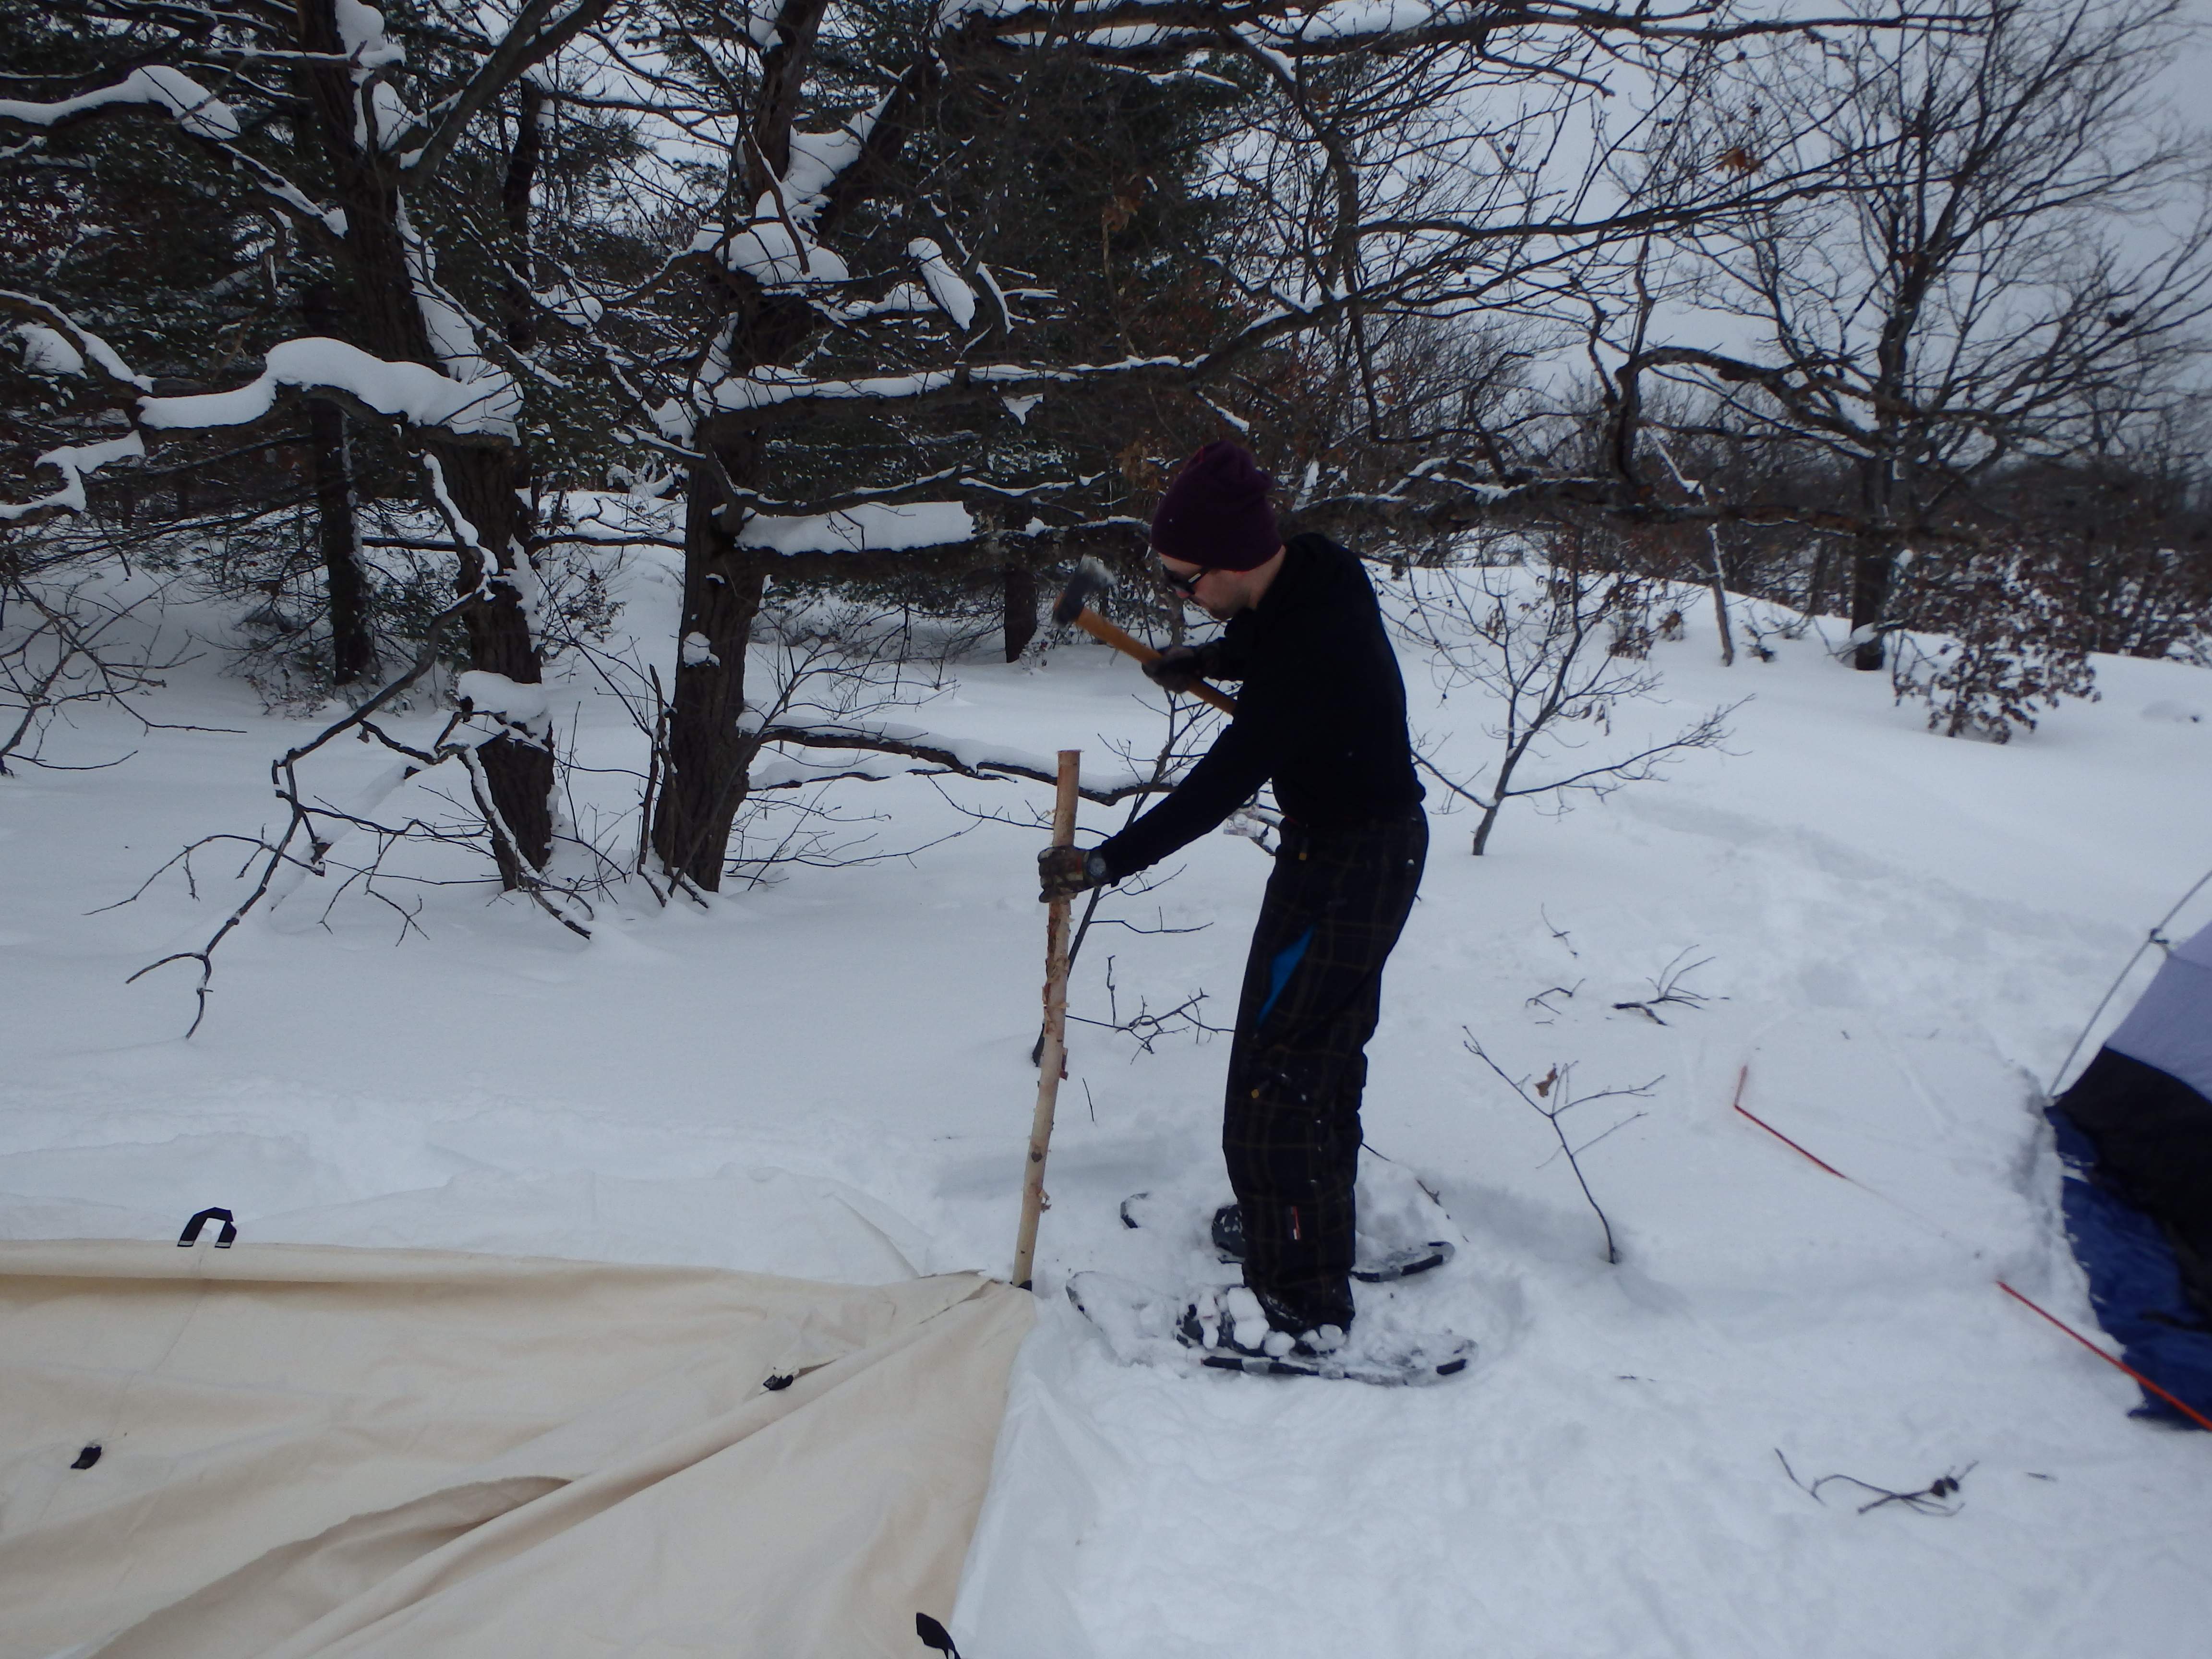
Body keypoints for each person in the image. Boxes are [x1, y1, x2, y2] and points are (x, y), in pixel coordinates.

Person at [1038, 440, 1426, 1354]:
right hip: (1353, 851)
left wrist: (1107, 862)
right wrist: (1204, 656)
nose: (1177, 593)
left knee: (1274, 1076)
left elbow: (1219, 784)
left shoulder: (1306, 655)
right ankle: (1300, 1221)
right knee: (1314, 1054)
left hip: (1347, 866)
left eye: (1183, 580)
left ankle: (1300, 1301)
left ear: (1232, 558)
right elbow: (1267, 632)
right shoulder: (1319, 568)